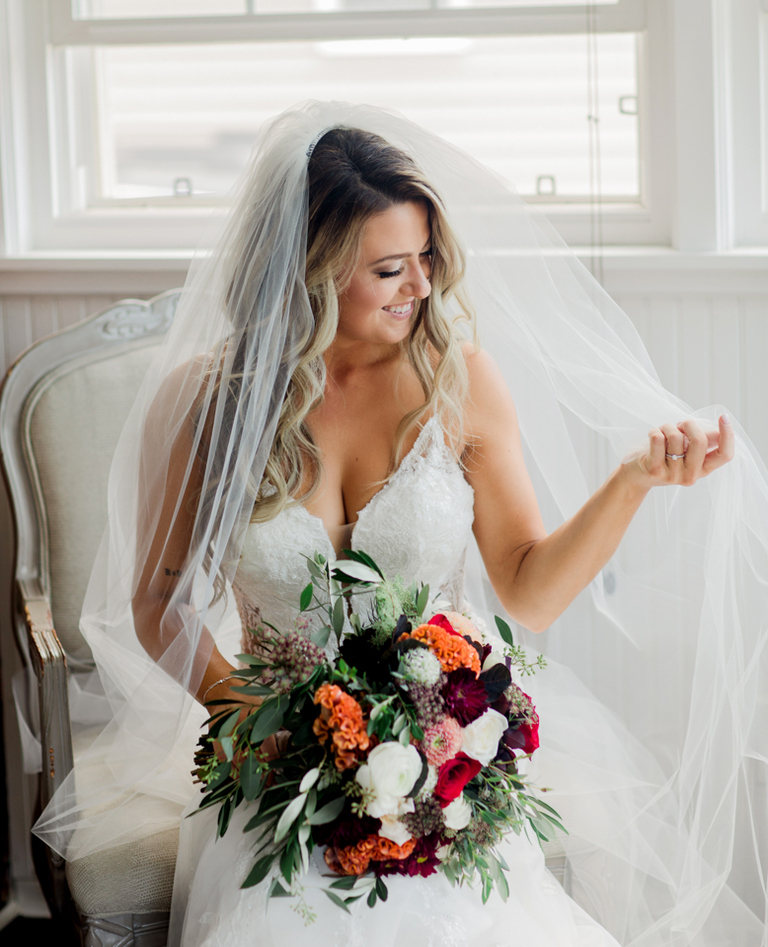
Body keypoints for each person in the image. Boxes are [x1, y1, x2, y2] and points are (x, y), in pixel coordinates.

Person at [33, 102, 768, 947]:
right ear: (309, 271)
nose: (422, 286)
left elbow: (527, 587)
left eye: (425, 258)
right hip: (275, 771)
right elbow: (161, 600)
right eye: (389, 269)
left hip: (443, 767)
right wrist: (280, 739)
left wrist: (633, 481)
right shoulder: (213, 400)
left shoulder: (460, 381)